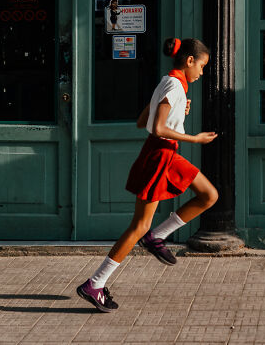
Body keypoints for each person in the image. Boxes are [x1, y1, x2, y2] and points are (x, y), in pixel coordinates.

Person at [76, 37, 218, 313]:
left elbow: (143, 121)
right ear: (190, 61)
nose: (202, 72)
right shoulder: (175, 85)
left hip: (167, 155)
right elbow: (157, 129)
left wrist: (177, 112)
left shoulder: (170, 83)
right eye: (201, 65)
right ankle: (95, 283)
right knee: (139, 225)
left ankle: (156, 236)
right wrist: (195, 138)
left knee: (209, 195)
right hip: (159, 155)